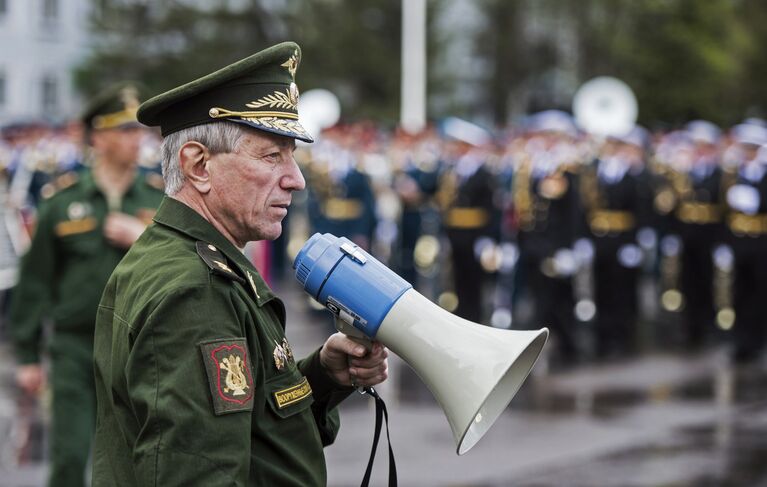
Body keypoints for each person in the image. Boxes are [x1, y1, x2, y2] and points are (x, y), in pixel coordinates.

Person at [91, 42, 389, 486]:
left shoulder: (183, 255)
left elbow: (250, 424)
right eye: (272, 156)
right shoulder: (194, 290)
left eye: (292, 155)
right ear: (198, 165)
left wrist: (324, 376)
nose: (296, 178)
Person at [8, 82, 164, 487]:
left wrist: (141, 236)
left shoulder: (159, 198)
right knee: (71, 454)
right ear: (98, 137)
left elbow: (184, 260)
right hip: (76, 347)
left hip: (140, 347)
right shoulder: (61, 201)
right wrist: (26, 354)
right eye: (125, 130)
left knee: (139, 458)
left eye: (139, 130)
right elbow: (36, 281)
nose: (137, 139)